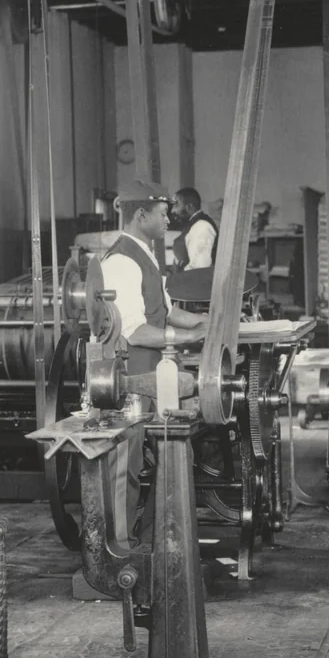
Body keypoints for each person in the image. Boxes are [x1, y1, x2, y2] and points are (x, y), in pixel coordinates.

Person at [101, 178, 208, 546]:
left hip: (154, 373)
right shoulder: (120, 261)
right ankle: (118, 551)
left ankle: (151, 541)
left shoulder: (144, 253)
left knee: (168, 454)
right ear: (141, 214)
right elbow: (134, 330)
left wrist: (205, 323)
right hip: (133, 375)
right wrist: (186, 338)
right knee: (126, 466)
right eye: (163, 214)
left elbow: (163, 311)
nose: (169, 220)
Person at [171, 187, 219, 271]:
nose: (173, 211)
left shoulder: (201, 226)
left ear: (190, 207)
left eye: (176, 205)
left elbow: (199, 268)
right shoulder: (192, 226)